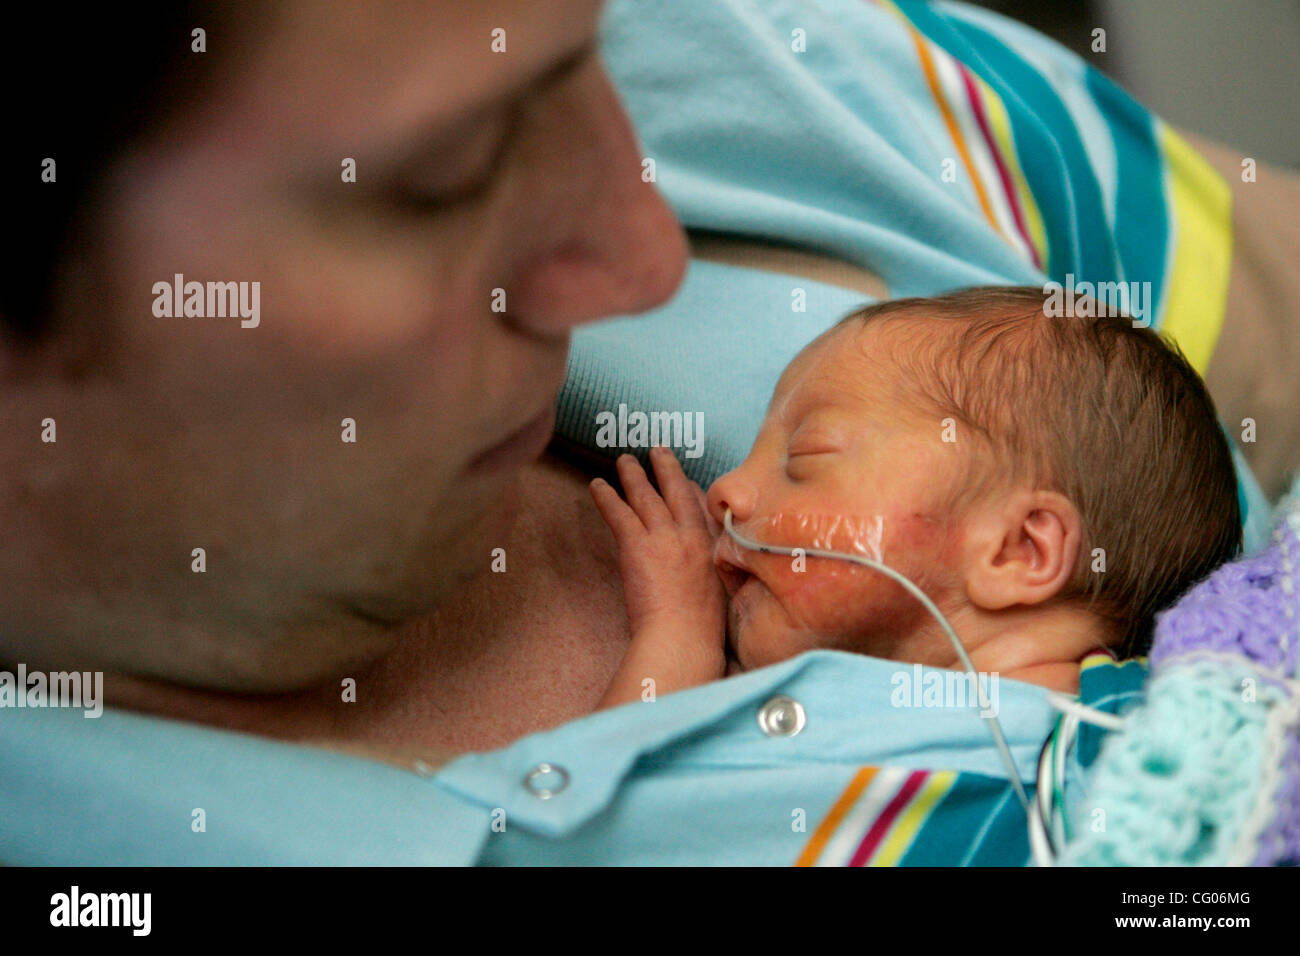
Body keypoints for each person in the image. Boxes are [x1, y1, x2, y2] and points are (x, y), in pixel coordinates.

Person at [1, 0, 1294, 865]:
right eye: (446, 175)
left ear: (1027, 552)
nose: (651, 253)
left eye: (590, 55)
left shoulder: (764, 66)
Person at [593, 287, 1241, 710]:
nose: (725, 491)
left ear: (1020, 550)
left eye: (805, 457)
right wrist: (677, 641)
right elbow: (593, 831)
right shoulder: (773, 718)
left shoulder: (1171, 739)